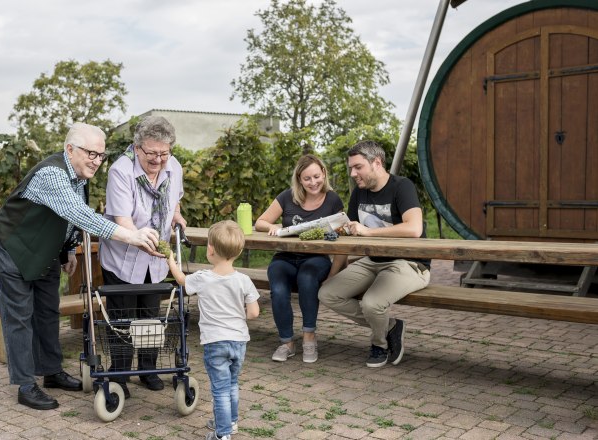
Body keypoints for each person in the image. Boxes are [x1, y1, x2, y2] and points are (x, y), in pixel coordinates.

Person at [0, 122, 160, 410]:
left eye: (101, 156)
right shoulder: (51, 174)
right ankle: (25, 384)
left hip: (44, 249)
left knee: (46, 309)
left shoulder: (79, 176)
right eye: (91, 153)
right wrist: (130, 236)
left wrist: (68, 250)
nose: (97, 161)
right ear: (70, 149)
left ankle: (52, 372)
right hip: (12, 245)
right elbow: (76, 213)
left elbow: (69, 220)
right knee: (20, 314)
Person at [318, 140, 430, 368]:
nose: (353, 173)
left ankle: (379, 345)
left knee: (371, 304)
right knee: (327, 293)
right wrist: (333, 272)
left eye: (358, 167)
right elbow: (347, 238)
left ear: (376, 163)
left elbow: (414, 228)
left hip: (409, 263)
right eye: (351, 168)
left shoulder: (402, 186)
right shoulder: (359, 194)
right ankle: (390, 326)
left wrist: (368, 231)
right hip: (372, 261)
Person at [99, 115, 187, 399]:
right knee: (122, 318)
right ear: (137, 148)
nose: (159, 160)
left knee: (150, 316)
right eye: (151, 153)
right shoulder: (121, 171)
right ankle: (120, 373)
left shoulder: (173, 167)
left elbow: (176, 198)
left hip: (155, 259)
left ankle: (148, 369)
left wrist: (176, 215)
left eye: (164, 153)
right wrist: (139, 239)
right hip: (123, 257)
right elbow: (122, 219)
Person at [166, 220, 260, 440]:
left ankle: (223, 434)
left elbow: (180, 280)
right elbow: (254, 313)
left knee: (219, 389)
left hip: (215, 343)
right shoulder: (244, 280)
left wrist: (170, 258)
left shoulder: (202, 278)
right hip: (239, 341)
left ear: (210, 249)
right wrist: (238, 318)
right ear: (237, 252)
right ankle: (231, 422)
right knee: (232, 384)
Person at [254, 154, 347, 363]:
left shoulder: (333, 199)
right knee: (277, 289)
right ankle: (287, 342)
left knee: (307, 278)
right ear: (299, 179)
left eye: (316, 176)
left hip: (316, 258)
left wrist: (338, 232)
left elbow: (341, 231)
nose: (313, 182)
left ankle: (309, 338)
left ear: (323, 173)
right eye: (307, 179)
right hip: (285, 257)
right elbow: (260, 222)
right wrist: (273, 226)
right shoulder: (287, 197)